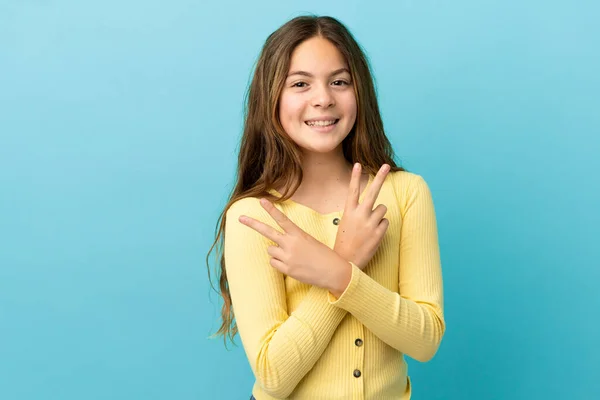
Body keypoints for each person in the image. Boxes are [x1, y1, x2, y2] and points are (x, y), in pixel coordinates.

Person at [206, 15, 445, 400]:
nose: (323, 98)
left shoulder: (405, 193)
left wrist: (337, 273)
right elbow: (273, 375)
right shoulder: (253, 217)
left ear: (359, 91)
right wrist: (345, 259)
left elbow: (426, 340)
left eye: (339, 81)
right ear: (272, 98)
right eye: (300, 83)